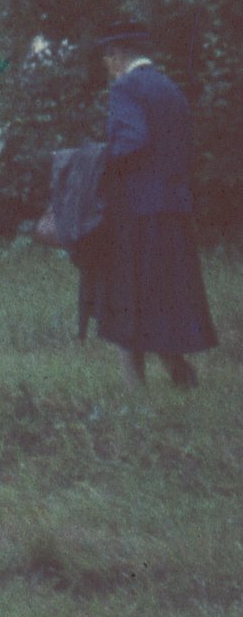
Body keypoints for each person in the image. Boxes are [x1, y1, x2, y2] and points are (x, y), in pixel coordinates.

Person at [95, 22, 217, 388]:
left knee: (128, 296)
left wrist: (100, 162)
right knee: (163, 295)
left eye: (107, 58)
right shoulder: (171, 89)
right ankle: (182, 377)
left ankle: (136, 396)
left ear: (117, 56)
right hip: (174, 208)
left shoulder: (125, 87)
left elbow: (132, 140)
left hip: (138, 209)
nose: (107, 66)